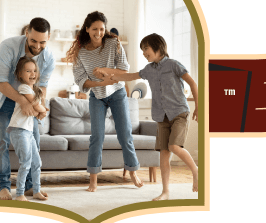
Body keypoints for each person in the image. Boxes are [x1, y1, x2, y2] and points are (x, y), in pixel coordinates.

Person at [109, 33, 198, 200]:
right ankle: (165, 192)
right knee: (164, 154)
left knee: (174, 147)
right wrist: (113, 77)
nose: (144, 53)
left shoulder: (173, 65)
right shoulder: (149, 70)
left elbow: (192, 83)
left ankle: (196, 170)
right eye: (142, 50)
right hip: (161, 116)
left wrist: (199, 107)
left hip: (179, 112)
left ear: (158, 47)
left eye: (146, 49)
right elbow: (132, 76)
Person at [66, 11, 144, 192]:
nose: (99, 33)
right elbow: (81, 81)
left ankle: (133, 171)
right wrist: (101, 82)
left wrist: (104, 71)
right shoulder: (81, 52)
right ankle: (93, 179)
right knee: (97, 137)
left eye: (102, 29)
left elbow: (124, 68)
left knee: (125, 134)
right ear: (87, 29)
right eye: (95, 29)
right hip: (97, 96)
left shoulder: (113, 43)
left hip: (117, 93)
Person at [0, 17, 55, 200]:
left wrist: (39, 107)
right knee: (1, 142)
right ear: (26, 34)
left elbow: (43, 86)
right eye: (33, 41)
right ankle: (4, 186)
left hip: (29, 101)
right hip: (3, 98)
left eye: (42, 42)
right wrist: (23, 102)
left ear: (48, 39)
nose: (37, 46)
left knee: (34, 143)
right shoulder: (8, 47)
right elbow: (0, 81)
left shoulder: (48, 58)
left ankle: (31, 186)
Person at [7, 56, 48, 201]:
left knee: (37, 162)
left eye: (35, 70)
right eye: (28, 71)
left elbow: (38, 108)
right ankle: (19, 194)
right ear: (20, 74)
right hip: (18, 130)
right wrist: (42, 110)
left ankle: (36, 191)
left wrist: (41, 110)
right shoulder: (23, 87)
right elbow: (38, 107)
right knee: (26, 162)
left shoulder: (34, 90)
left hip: (28, 131)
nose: (33, 74)